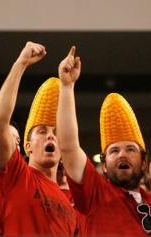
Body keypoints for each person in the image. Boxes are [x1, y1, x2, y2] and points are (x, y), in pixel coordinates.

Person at [57, 46, 151, 236]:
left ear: (144, 162)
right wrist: (66, 87)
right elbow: (68, 147)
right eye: (114, 151)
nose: (122, 154)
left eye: (131, 149)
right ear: (105, 165)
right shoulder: (94, 192)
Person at [0, 42, 76, 236]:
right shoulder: (16, 176)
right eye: (42, 131)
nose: (51, 135)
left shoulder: (69, 205)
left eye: (55, 131)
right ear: (27, 146)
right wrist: (20, 64)